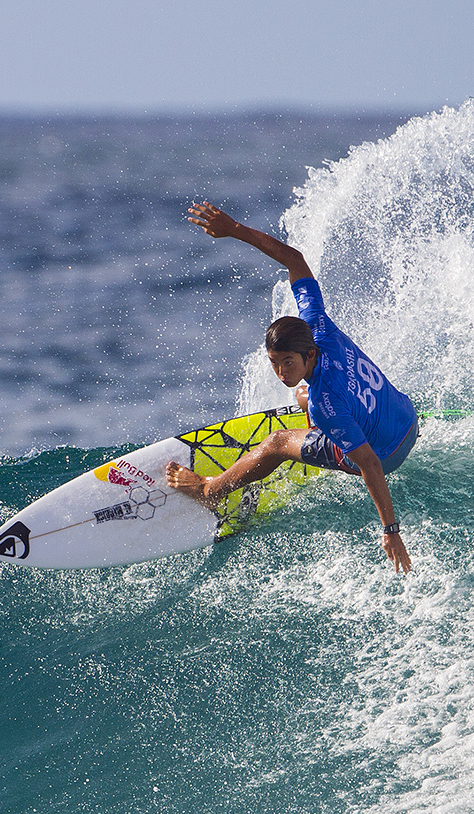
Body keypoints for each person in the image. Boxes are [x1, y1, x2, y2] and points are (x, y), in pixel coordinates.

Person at [165, 202, 418, 573]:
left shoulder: (324, 402)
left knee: (278, 443)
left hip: (388, 453)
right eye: (274, 363)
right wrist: (234, 228)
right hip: (408, 421)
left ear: (309, 354)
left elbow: (369, 463)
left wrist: (391, 531)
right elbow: (295, 260)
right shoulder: (317, 324)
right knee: (301, 394)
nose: (281, 372)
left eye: (288, 363)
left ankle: (210, 491)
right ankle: (324, 436)